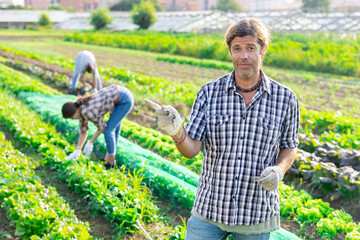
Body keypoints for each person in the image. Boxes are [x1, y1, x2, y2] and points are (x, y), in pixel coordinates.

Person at [146, 17, 299, 240]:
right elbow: (191, 150)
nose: (243, 56)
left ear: (263, 50)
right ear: (230, 51)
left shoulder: (285, 98)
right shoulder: (209, 93)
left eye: (250, 48)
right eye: (237, 49)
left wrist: (279, 170)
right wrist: (176, 132)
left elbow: (289, 147)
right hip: (210, 210)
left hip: (255, 213)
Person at [62, 84, 134, 169]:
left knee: (108, 130)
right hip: (117, 95)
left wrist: (91, 141)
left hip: (124, 99)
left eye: (71, 117)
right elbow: (83, 131)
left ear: (75, 113)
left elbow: (102, 128)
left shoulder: (86, 111)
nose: (72, 119)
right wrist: (78, 149)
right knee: (114, 130)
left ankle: (110, 162)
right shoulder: (81, 109)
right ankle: (110, 158)